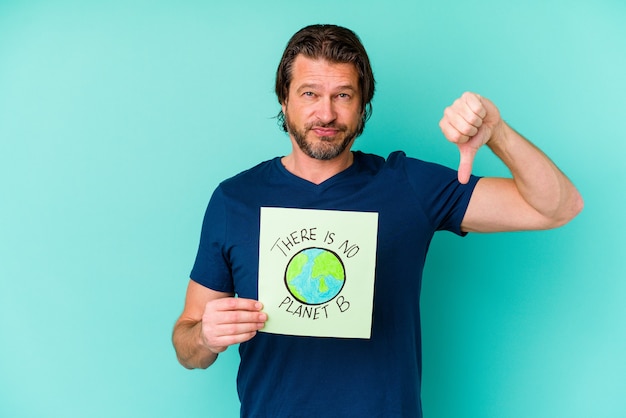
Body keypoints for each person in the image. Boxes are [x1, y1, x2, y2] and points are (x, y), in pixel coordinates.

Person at [172, 24, 583, 417]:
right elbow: (187, 345)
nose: (326, 114)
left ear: (363, 103)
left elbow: (557, 207)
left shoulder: (409, 187)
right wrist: (205, 336)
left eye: (343, 95)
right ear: (285, 100)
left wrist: (497, 133)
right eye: (310, 93)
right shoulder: (235, 200)